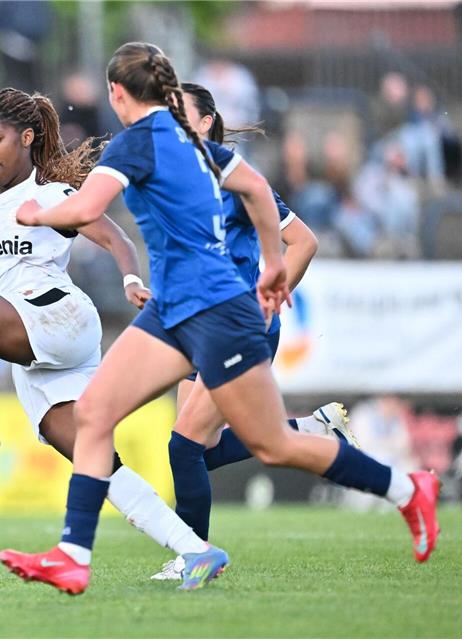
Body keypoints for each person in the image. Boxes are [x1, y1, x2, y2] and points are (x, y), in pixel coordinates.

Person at [0, 42, 441, 596]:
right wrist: (275, 264)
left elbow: (86, 210)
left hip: (213, 309)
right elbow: (256, 189)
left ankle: (406, 489)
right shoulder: (194, 143)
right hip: (173, 311)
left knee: (271, 443)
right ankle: (72, 555)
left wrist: (37, 211)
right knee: (94, 415)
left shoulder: (140, 141)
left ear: (116, 93)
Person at [0, 87, 218, 568]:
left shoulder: (51, 195)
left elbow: (115, 239)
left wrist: (132, 278)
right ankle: (196, 551)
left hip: (58, 317)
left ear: (26, 137)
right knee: (99, 465)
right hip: (26, 344)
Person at [149, 82, 358, 582]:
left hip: (238, 329)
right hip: (197, 329)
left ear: (205, 123)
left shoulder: (237, 177)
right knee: (196, 450)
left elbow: (302, 241)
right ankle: (311, 431)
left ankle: (193, 558)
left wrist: (265, 299)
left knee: (182, 447)